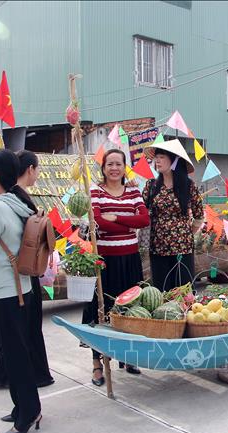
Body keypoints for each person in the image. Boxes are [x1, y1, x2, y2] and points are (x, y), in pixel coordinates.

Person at [0, 150, 42, 433]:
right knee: (18, 352)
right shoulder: (16, 202)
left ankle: (26, 414)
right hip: (20, 288)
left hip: (5, 291)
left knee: (16, 356)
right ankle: (24, 407)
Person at [0, 150, 55, 387]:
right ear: (30, 169)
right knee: (21, 333)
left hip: (15, 277)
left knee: (18, 336)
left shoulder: (7, 202)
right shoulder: (18, 199)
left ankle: (25, 387)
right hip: (21, 275)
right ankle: (20, 383)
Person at [85, 148, 149, 385]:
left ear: (124, 167)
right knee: (101, 310)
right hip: (105, 261)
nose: (114, 168)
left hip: (129, 258)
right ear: (103, 168)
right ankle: (97, 364)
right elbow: (98, 221)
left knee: (130, 310)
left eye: (118, 164)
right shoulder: (95, 191)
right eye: (109, 164)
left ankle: (128, 357)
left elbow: (144, 220)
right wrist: (125, 223)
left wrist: (116, 218)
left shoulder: (133, 190)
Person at [143, 139, 203, 292]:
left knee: (183, 290)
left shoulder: (189, 186)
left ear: (175, 160)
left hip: (182, 247)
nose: (157, 160)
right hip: (157, 246)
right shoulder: (151, 186)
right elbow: (141, 210)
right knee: (161, 289)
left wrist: (187, 232)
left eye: (162, 156)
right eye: (156, 156)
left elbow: (199, 215)